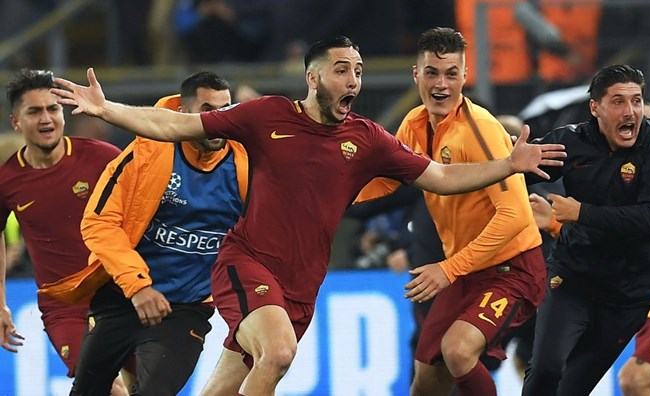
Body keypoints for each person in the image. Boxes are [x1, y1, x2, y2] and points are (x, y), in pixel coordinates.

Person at [49, 35, 565, 395]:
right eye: (343, 70)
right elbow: (172, 124)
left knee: (229, 383)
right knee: (276, 355)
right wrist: (108, 108)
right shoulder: (267, 114)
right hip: (247, 263)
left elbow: (442, 177)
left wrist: (507, 165)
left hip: (302, 286)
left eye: (359, 71)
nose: (354, 80)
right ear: (314, 76)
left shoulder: (366, 139)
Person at [356, 27, 548, 396]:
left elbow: (516, 217)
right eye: (432, 73)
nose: (441, 84)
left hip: (512, 268)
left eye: (451, 73)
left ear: (465, 75)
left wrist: (448, 269)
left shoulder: (481, 131)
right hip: (465, 269)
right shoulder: (413, 123)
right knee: (425, 383)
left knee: (458, 351)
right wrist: (330, 195)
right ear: (416, 75)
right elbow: (390, 183)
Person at [39, 71, 248, 395]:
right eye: (207, 109)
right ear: (182, 114)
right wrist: (138, 287)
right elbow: (99, 222)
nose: (217, 119)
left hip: (185, 308)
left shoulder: (245, 164)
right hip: (123, 297)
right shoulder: (144, 156)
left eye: (225, 108)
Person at [521, 64, 650, 395]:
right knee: (545, 368)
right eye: (618, 101)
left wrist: (581, 213)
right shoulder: (571, 141)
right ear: (595, 108)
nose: (630, 111)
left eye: (636, 101)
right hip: (572, 280)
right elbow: (514, 170)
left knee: (572, 389)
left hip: (629, 296)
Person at [0, 69, 128, 394]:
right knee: (102, 384)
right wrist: (1, 303)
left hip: (118, 292)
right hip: (64, 305)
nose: (46, 118)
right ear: (16, 122)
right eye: (34, 111)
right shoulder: (7, 180)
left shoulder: (102, 157)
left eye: (52, 109)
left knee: (143, 385)